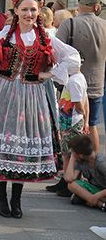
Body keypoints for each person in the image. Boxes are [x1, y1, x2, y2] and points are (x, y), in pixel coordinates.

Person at [0, 0, 80, 219]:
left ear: (39, 12)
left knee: (22, 148)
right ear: (16, 10)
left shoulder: (46, 37)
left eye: (33, 9)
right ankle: (1, 197)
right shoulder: (5, 34)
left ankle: (16, 199)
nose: (29, 13)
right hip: (5, 95)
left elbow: (73, 57)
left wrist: (50, 74)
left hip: (32, 97)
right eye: (25, 9)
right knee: (2, 145)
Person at [56, 0, 106, 152]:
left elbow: (55, 52)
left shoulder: (69, 24)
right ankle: (94, 167)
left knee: (69, 127)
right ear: (96, 7)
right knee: (91, 125)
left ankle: (71, 166)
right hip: (96, 84)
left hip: (71, 85)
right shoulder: (105, 25)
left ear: (80, 5)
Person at [46, 63, 89, 197]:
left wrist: (82, 116)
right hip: (69, 121)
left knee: (70, 154)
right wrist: (85, 119)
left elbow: (80, 103)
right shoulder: (78, 78)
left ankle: (70, 184)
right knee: (66, 153)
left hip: (71, 122)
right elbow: (85, 100)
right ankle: (65, 181)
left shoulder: (74, 81)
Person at [65, 135, 106, 212]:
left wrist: (96, 196)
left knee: (82, 194)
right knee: (71, 185)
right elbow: (69, 179)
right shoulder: (81, 161)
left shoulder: (101, 163)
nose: (72, 154)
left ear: (80, 154)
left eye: (73, 152)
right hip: (97, 190)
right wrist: (72, 158)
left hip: (102, 192)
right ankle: (101, 204)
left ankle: (87, 199)